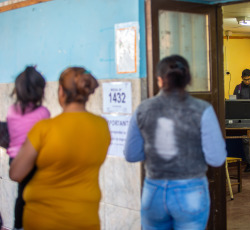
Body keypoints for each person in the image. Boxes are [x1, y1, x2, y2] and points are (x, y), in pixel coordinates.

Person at [124, 55, 227, 230]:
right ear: (188, 79)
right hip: (191, 191)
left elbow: (132, 154)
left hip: (153, 191)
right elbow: (216, 159)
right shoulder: (202, 110)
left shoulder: (143, 109)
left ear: (159, 80)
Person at [9, 67, 111, 230]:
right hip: (85, 219)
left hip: (43, 220)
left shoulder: (45, 129)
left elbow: (16, 174)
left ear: (61, 92)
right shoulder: (102, 127)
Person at [6, 66, 50, 230]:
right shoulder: (43, 113)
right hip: (35, 160)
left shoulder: (11, 111)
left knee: (22, 194)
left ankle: (19, 226)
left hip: (15, 161)